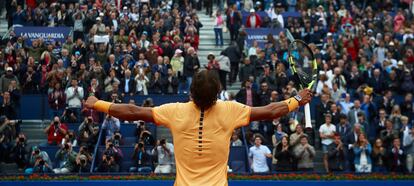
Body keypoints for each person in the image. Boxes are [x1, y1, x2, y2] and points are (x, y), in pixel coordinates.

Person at [85, 70, 312, 185]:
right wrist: (296, 100)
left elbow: (132, 112)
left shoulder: (175, 111)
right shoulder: (231, 109)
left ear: (191, 92)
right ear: (217, 93)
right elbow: (271, 111)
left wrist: (99, 103)